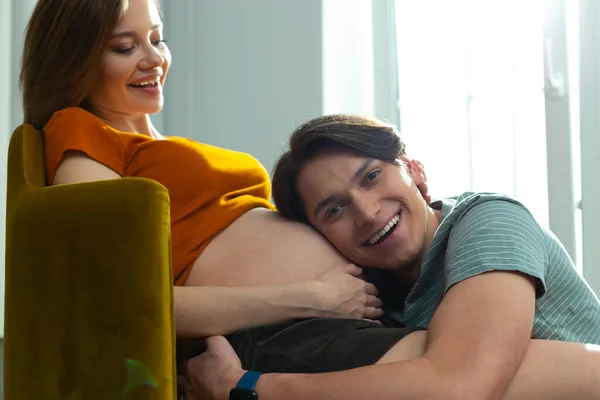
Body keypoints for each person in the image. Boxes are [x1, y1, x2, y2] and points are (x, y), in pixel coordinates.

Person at [19, 1, 600, 399]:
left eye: (157, 37)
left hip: (327, 325)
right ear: (75, 58)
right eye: (124, 47)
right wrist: (308, 295)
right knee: (513, 374)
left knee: (474, 368)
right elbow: (121, 299)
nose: (153, 59)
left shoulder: (158, 146)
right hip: (288, 333)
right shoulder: (80, 132)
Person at [181, 114, 600, 400]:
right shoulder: (366, 288)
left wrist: (247, 386)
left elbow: (460, 387)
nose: (367, 212)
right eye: (334, 210)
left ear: (414, 171)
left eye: (372, 177)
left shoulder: (488, 222)